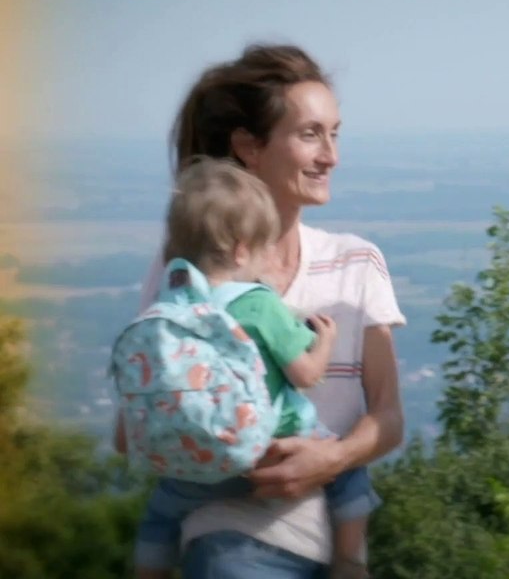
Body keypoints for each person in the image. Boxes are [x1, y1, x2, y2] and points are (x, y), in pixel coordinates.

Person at [119, 44, 406, 578]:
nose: (331, 156)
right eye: (309, 134)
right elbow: (133, 424)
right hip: (230, 540)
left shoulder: (358, 263)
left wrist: (333, 459)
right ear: (250, 147)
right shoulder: (184, 266)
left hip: (327, 537)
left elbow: (389, 419)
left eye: (334, 133)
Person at [126, 158, 375, 579]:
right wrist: (326, 340)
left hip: (193, 465)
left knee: (160, 515)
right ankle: (350, 561)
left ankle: (150, 572)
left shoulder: (170, 307)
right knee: (349, 468)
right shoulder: (260, 304)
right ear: (242, 249)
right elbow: (306, 374)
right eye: (264, 247)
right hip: (268, 448)